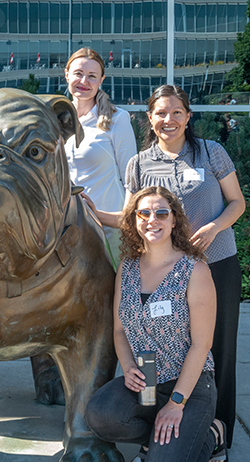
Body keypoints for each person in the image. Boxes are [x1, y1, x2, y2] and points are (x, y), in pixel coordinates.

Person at [87, 84, 245, 448]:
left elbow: (237, 202)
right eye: (161, 113)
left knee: (215, 349)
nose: (169, 120)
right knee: (157, 348)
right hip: (162, 270)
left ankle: (215, 432)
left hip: (215, 263)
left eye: (177, 112)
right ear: (150, 119)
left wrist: (215, 226)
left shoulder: (211, 152)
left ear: (188, 117)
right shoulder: (139, 163)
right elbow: (131, 217)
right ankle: (157, 426)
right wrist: (92, 214)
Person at [85, 186, 226, 462]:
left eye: (162, 213)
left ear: (174, 220)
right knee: (99, 416)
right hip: (146, 381)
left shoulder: (194, 270)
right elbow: (118, 330)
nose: (153, 220)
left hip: (190, 385)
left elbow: (202, 344)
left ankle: (211, 434)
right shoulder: (127, 267)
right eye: (144, 213)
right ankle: (164, 440)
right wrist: (127, 368)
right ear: (134, 220)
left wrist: (176, 403)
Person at [63, 47, 137, 259]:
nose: (84, 81)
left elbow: (132, 179)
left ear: (101, 80)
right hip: (66, 230)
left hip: (108, 230)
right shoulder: (55, 120)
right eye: (78, 73)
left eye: (92, 76)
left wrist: (126, 220)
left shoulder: (117, 119)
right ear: (66, 74)